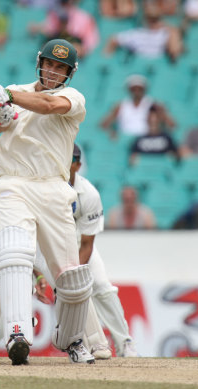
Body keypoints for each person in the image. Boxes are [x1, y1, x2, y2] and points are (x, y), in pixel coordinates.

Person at [0, 38, 94, 365]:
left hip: (53, 187)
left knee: (71, 275)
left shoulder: (72, 97)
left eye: (61, 68)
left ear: (70, 73)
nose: (54, 72)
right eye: (50, 65)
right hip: (13, 181)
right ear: (39, 62)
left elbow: (49, 106)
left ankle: (72, 340)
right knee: (15, 252)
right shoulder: (15, 89)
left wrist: (8, 96)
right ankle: (17, 333)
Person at [0, 145, 138, 361]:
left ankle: (94, 343)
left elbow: (84, 242)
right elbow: (9, 206)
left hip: (44, 221)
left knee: (71, 277)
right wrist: (35, 272)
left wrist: (55, 276)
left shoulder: (49, 153)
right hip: (0, 219)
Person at [34, 144, 139, 358]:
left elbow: (87, 244)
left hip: (79, 245)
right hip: (48, 248)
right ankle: (95, 344)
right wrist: (39, 274)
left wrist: (75, 271)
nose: (65, 163)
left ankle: (125, 343)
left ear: (78, 165)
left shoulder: (89, 194)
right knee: (73, 292)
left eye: (70, 160)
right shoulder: (43, 189)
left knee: (101, 286)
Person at [100, 74, 175, 138]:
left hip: (145, 140)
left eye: (139, 89)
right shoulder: (121, 106)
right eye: (134, 89)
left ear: (144, 89)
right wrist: (112, 133)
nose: (137, 91)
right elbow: (104, 124)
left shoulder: (154, 104)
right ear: (129, 90)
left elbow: (171, 124)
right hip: (124, 139)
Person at [104, 3, 183, 62]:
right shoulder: (137, 33)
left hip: (159, 69)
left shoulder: (166, 33)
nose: (153, 22)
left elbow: (175, 51)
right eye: (150, 19)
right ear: (146, 19)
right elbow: (113, 39)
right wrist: (107, 59)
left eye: (156, 19)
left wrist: (167, 27)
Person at [29, 0, 99, 56]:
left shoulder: (85, 18)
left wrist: (80, 49)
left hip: (76, 59)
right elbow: (47, 28)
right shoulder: (55, 13)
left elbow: (91, 43)